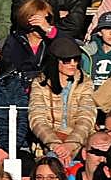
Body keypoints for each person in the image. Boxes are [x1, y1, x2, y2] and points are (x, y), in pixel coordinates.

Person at [28, 38, 97, 166]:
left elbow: (87, 117)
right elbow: (37, 119)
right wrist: (56, 144)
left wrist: (71, 144)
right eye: (67, 60)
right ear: (55, 61)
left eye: (76, 59)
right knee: (54, 164)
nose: (73, 64)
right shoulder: (39, 84)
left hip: (80, 141)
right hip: (50, 142)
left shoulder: (85, 82)